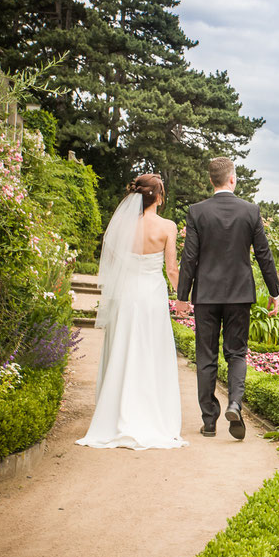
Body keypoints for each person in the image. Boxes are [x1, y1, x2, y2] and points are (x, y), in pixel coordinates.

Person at [76, 174, 188, 450]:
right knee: (151, 351)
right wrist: (183, 299)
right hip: (151, 296)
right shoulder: (167, 226)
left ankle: (116, 414)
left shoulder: (122, 226)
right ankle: (150, 414)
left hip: (126, 296)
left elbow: (112, 265)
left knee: (123, 350)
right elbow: (172, 269)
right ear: (158, 196)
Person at [176, 157, 279, 440]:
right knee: (236, 353)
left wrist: (182, 296)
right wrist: (274, 291)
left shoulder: (197, 212)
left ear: (212, 181)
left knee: (206, 356)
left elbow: (189, 257)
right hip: (239, 295)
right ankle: (235, 402)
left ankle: (209, 421)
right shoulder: (250, 211)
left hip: (206, 295)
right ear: (232, 179)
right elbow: (263, 255)